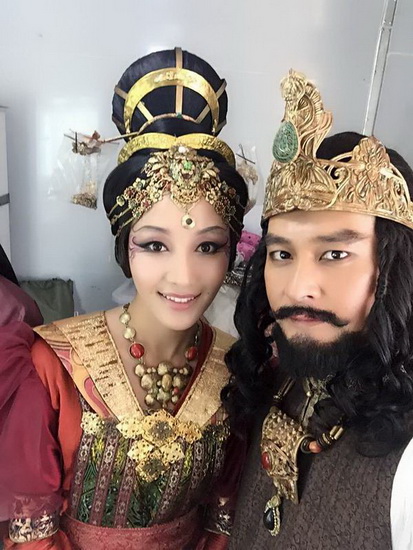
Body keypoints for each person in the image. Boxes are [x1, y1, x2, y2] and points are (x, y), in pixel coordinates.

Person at [1, 48, 248, 550]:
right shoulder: (53, 367)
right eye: (155, 245)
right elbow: (32, 536)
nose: (183, 276)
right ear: (124, 249)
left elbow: (221, 521)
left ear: (231, 253)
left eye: (208, 247)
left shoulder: (235, 370)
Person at [225, 70, 413, 549]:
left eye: (334, 253)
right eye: (282, 254)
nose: (298, 288)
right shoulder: (276, 378)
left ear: (393, 269)